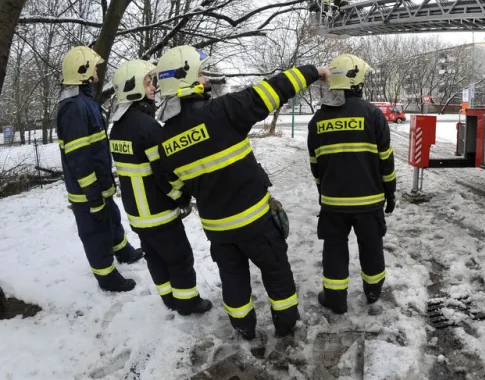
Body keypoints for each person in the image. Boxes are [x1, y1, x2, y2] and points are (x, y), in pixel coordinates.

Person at [151, 45, 330, 340]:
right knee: (275, 270)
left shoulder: (163, 141)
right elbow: (272, 91)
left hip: (217, 231)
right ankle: (285, 324)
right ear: (186, 80)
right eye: (199, 71)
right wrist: (314, 71)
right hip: (255, 221)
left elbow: (172, 188)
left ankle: (243, 327)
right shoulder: (222, 112)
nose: (205, 76)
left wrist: (186, 198)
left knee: (233, 279)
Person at [108, 59, 213, 315]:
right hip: (159, 211)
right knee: (180, 258)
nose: (153, 87)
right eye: (147, 82)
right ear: (133, 88)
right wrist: (181, 197)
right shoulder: (147, 127)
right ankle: (188, 302)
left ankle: (169, 299)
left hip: (137, 213)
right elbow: (164, 174)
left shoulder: (118, 128)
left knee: (155, 257)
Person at [307, 54, 396, 314]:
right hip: (369, 202)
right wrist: (389, 192)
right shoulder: (372, 114)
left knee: (334, 249)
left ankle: (335, 298)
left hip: (333, 203)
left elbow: (316, 165)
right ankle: (372, 291)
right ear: (355, 79)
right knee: (371, 246)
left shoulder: (317, 121)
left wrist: (324, 193)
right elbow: (385, 161)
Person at [56, 46, 143, 292]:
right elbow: (79, 157)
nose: (97, 70)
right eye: (93, 66)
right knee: (95, 232)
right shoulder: (74, 108)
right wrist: (93, 195)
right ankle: (106, 277)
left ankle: (123, 252)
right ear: (83, 70)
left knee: (112, 219)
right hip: (87, 190)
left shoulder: (85, 102)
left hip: (99, 184)